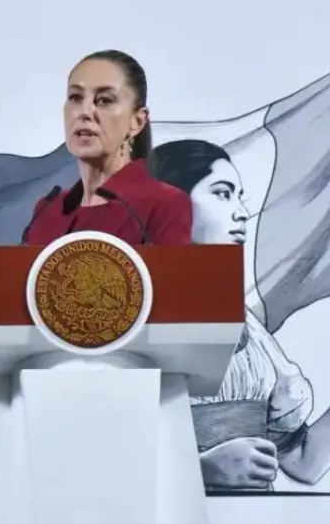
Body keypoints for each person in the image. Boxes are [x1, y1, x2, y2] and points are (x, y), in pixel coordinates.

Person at [155, 139, 330, 491]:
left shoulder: (243, 319)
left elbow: (304, 462)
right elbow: (91, 448)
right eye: (222, 194)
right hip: (173, 515)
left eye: (239, 196)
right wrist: (201, 468)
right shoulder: (128, 310)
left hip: (253, 518)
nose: (241, 212)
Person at [23, 50, 193, 245]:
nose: (84, 112)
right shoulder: (47, 209)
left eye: (104, 100)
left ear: (137, 121)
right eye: (76, 97)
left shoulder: (164, 203)